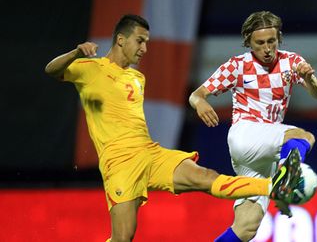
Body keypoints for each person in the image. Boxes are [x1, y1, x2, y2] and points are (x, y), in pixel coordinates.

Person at [44, 14, 301, 242]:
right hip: (119, 164)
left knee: (206, 177)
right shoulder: (89, 69)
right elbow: (52, 70)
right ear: (121, 40)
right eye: (140, 41)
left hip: (150, 153)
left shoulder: (137, 77)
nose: (145, 48)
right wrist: (77, 52)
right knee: (123, 237)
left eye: (147, 41)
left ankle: (273, 186)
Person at [189, 11, 317, 242]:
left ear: (278, 38)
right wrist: (200, 102)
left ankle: (281, 182)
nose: (267, 48)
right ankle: (284, 185)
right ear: (248, 43)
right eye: (259, 43)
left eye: (271, 41)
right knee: (304, 136)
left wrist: (310, 79)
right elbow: (197, 94)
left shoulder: (291, 62)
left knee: (246, 227)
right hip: (246, 135)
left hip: (264, 151)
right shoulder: (238, 66)